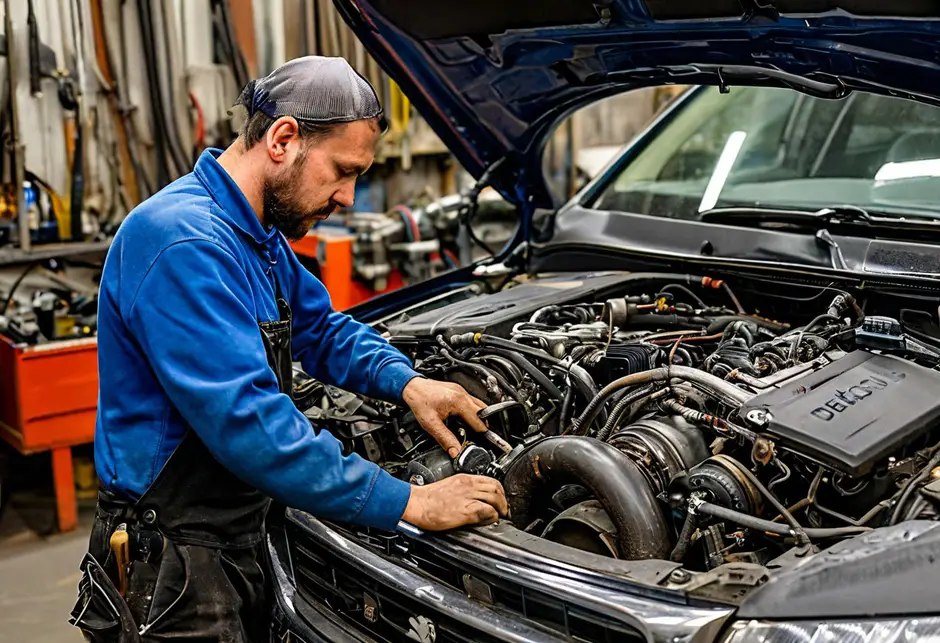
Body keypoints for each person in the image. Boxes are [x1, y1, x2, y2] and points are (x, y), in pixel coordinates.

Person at [70, 56, 508, 642]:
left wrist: (408, 382)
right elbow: (251, 427)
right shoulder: (182, 241)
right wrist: (409, 503)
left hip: (235, 531)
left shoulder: (257, 234)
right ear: (283, 139)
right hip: (172, 560)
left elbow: (321, 328)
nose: (350, 197)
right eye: (343, 171)